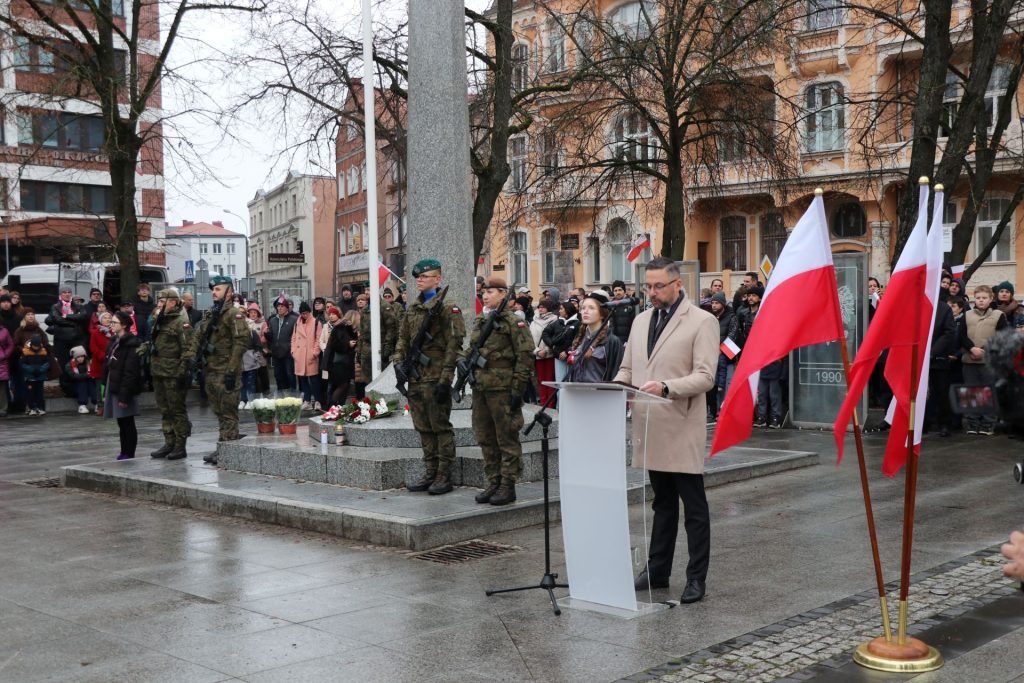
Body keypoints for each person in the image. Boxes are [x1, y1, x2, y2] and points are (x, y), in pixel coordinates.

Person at [613, 257, 718, 605]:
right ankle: (657, 572)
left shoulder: (703, 321)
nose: (652, 293)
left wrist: (668, 387)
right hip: (650, 425)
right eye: (648, 286)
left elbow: (706, 376)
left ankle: (695, 577)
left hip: (681, 422)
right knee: (663, 504)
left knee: (694, 507)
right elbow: (628, 368)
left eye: (659, 286)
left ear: (678, 284)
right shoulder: (642, 320)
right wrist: (614, 388)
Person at [393, 259, 466, 494]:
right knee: (423, 427)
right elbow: (403, 337)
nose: (420, 280)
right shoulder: (413, 307)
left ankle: (444, 475)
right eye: (418, 277)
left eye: (425, 276)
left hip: (435, 377)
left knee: (440, 427)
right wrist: (397, 361)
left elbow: (454, 345)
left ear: (438, 279)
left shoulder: (448, 307)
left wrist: (446, 379)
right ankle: (430, 471)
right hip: (415, 377)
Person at [459, 277, 534, 504]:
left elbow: (525, 356)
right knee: (485, 437)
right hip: (481, 388)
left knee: (506, 438)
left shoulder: (514, 323)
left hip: (503, 390)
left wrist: (517, 390)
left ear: (503, 294)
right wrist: (462, 360)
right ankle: (493, 481)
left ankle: (507, 485)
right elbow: (472, 349)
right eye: (484, 291)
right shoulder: (483, 321)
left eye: (491, 292)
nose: (485, 295)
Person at [198, 276, 251, 463]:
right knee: (220, 412)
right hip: (212, 370)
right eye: (213, 289)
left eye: (218, 289)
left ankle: (228, 450)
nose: (214, 292)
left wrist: (231, 370)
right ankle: (224, 445)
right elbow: (199, 336)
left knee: (228, 413)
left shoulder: (233, 313)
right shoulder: (213, 313)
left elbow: (241, 342)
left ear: (229, 292)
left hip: (227, 371)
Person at [147, 288, 195, 461]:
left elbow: (188, 350)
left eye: (162, 301)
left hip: (174, 373)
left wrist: (183, 373)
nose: (158, 304)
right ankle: (169, 441)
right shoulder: (160, 320)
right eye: (158, 301)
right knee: (164, 409)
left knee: (177, 410)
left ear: (173, 302)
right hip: (159, 370)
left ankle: (180, 445)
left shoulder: (180, 322)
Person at [961, 285, 1007, 435]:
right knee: (971, 393)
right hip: (970, 360)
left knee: (988, 392)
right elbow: (960, 336)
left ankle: (988, 423)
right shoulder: (966, 315)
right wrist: (971, 349)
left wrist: (984, 351)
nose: (981, 301)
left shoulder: (998, 315)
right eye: (978, 298)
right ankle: (973, 423)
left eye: (984, 298)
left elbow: (1002, 336)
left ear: (990, 299)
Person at [104, 311, 143, 460]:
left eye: (114, 322)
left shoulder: (130, 344)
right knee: (121, 421)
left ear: (124, 325)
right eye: (111, 322)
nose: (111, 325)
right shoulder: (115, 341)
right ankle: (123, 451)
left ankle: (129, 452)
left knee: (127, 421)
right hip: (115, 383)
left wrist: (124, 396)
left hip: (124, 387)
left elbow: (130, 372)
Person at [567, 290, 624, 382]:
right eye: (583, 308)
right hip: (577, 393)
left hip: (600, 394)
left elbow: (616, 373)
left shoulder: (612, 341)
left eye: (591, 308)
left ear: (602, 314)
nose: (585, 311)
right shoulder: (580, 338)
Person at [46, 285, 89, 398]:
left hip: (77, 339)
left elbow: (83, 317)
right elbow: (56, 319)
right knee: (63, 365)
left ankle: (80, 390)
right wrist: (74, 321)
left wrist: (65, 316)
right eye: (64, 292)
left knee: (79, 364)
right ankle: (67, 390)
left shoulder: (78, 306)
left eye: (69, 292)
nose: (67, 294)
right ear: (61, 294)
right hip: (61, 340)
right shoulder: (55, 306)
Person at [355, 292, 400, 398]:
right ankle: (371, 403)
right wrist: (359, 350)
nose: (367, 292)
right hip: (367, 348)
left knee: (382, 378)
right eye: (365, 289)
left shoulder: (385, 307)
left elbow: (392, 328)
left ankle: (383, 402)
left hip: (382, 346)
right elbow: (362, 332)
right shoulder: (366, 309)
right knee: (367, 379)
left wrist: (388, 348)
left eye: (369, 289)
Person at [709, 291, 737, 424]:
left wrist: (721, 349)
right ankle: (714, 412)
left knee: (726, 385)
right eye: (712, 303)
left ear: (723, 304)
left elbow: (732, 335)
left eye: (717, 303)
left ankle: (726, 412)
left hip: (727, 356)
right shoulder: (711, 318)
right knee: (714, 385)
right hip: (713, 356)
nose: (714, 306)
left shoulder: (732, 317)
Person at [291, 301, 322, 410]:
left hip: (310, 355)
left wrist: (314, 352)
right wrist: (293, 352)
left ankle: (317, 401)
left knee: (314, 380)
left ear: (309, 312)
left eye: (306, 313)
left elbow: (318, 339)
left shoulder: (316, 322)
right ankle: (307, 400)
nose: (304, 315)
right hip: (299, 356)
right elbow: (293, 338)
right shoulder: (297, 323)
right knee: (303, 380)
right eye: (302, 313)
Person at [324, 308, 358, 405]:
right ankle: (332, 406)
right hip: (339, 363)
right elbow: (334, 344)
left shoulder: (350, 329)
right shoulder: (340, 328)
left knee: (344, 386)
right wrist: (348, 344)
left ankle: (338, 407)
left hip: (345, 363)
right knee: (342, 385)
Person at [266, 298, 299, 394]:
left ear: (287, 308)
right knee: (278, 375)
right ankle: (281, 395)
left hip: (288, 353)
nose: (279, 308)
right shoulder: (272, 320)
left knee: (289, 375)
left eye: (282, 306)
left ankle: (293, 395)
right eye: (278, 307)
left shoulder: (294, 319)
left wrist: (292, 349)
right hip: (276, 353)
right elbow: (271, 336)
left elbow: (297, 337)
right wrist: (268, 336)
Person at [530, 298, 559, 406]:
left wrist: (546, 350)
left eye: (543, 307)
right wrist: (537, 351)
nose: (541, 309)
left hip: (549, 355)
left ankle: (550, 404)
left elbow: (555, 338)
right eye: (540, 307)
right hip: (538, 355)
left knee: (550, 381)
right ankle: (543, 403)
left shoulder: (555, 320)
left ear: (549, 308)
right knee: (540, 380)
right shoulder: (533, 321)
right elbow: (530, 339)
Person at [542, 301, 580, 382]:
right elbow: (545, 332)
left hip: (572, 357)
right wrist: (551, 345)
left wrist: (567, 351)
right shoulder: (557, 322)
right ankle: (560, 395)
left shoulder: (578, 324)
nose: (559, 311)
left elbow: (579, 340)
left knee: (571, 381)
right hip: (558, 356)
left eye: (561, 309)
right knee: (559, 382)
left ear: (567, 310)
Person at [240, 303, 268, 409]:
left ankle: (250, 400)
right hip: (240, 361)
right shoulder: (235, 330)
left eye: (243, 314)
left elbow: (258, 346)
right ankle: (243, 399)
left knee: (251, 382)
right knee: (241, 382)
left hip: (250, 361)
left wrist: (256, 358)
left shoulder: (252, 331)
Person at [89, 311, 114, 415]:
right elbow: (93, 347)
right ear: (100, 320)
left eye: (109, 318)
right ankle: (100, 406)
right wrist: (103, 356)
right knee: (100, 387)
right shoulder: (96, 332)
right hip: (99, 363)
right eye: (105, 318)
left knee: (112, 385)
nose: (107, 319)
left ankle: (111, 406)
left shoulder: (114, 333)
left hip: (113, 363)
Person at [66, 345, 97, 414]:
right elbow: (74, 376)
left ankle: (96, 403)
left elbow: (93, 373)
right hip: (75, 384)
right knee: (82, 383)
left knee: (91, 383)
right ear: (75, 357)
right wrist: (87, 375)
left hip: (88, 382)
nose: (80, 358)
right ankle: (82, 405)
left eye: (82, 356)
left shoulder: (89, 363)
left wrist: (88, 376)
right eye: (78, 357)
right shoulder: (70, 364)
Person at [0, 321, 12, 418]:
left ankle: (3, 409)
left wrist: (5, 355)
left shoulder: (4, 331)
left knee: (2, 389)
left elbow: (10, 345)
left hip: (1, 363)